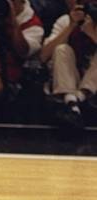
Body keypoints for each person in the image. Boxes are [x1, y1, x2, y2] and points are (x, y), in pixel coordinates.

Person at [40, 0, 97, 128]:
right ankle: (72, 101)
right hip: (68, 81)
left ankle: (74, 100)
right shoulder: (66, 20)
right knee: (62, 49)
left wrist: (93, 35)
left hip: (93, 85)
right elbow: (43, 56)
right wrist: (71, 26)